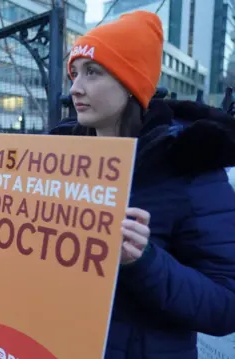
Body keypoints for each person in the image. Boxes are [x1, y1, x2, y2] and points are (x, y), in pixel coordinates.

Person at [45, 10, 235, 358]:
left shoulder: (189, 163)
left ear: (130, 82)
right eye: (74, 73)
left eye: (93, 72)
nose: (75, 88)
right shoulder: (55, 159)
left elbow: (226, 305)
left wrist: (143, 261)